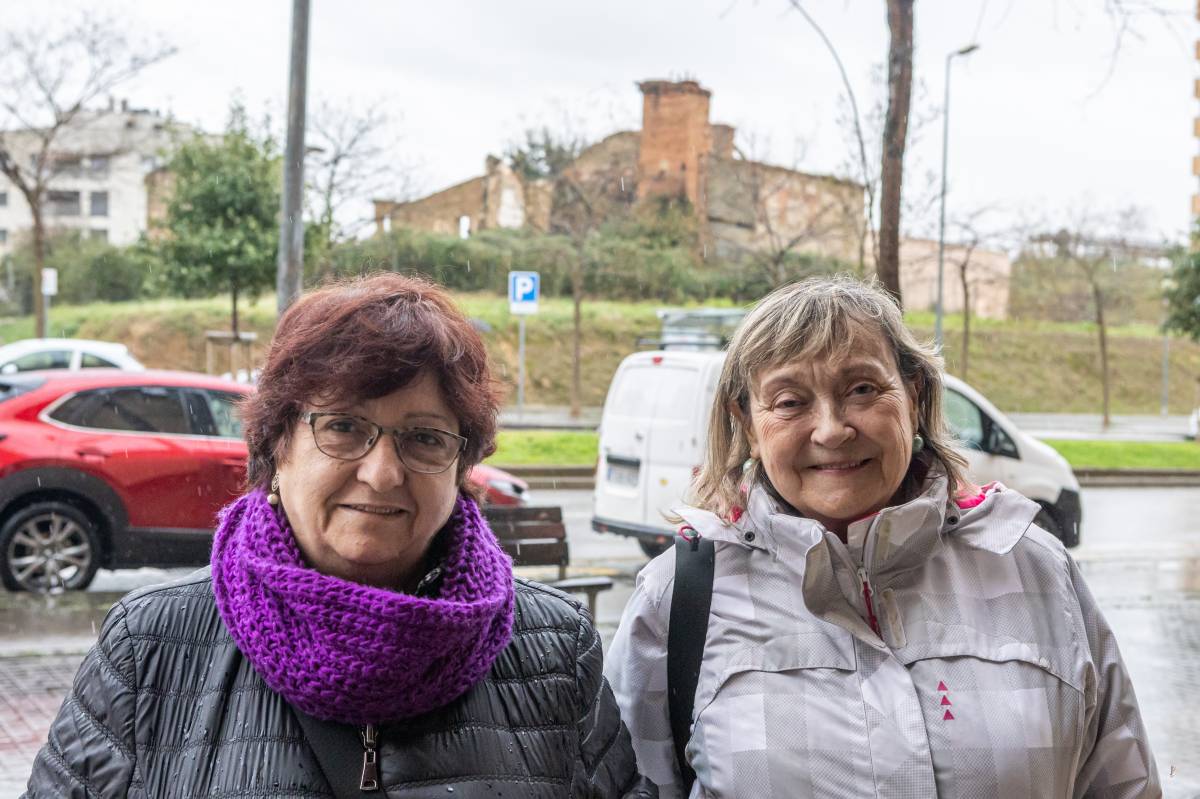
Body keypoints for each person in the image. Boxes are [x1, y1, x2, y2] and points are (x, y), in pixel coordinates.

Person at [25, 273, 655, 798]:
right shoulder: (149, 648)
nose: (382, 474)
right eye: (344, 428)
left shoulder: (555, 650)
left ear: (462, 468)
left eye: (425, 438)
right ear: (279, 444)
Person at [605, 275, 1159, 798]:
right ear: (748, 424)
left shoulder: (1035, 570)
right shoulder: (677, 599)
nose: (832, 429)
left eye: (862, 389)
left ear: (913, 397)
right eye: (790, 402)